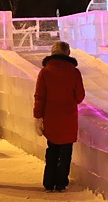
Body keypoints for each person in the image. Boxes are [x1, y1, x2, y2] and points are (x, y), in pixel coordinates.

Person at [33, 41, 86, 192]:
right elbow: (80, 96)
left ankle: (49, 182)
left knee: (52, 150)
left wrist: (38, 116)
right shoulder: (74, 72)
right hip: (68, 118)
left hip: (51, 117)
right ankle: (61, 182)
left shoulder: (45, 72)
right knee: (66, 151)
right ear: (67, 53)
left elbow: (39, 96)